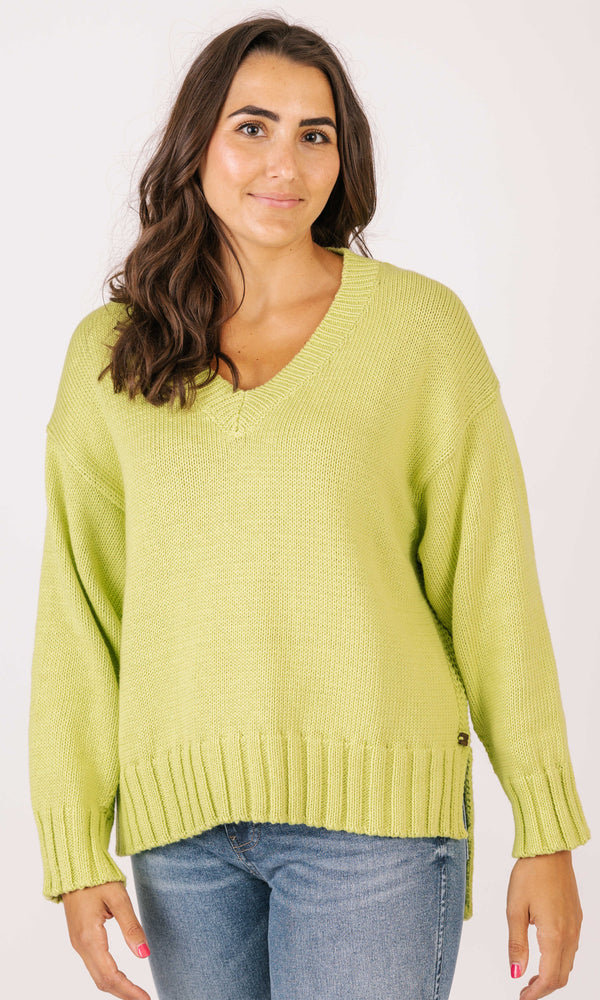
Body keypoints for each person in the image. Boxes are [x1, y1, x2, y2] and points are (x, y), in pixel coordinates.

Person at [28, 13, 591, 1000]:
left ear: (343, 157)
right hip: (182, 839)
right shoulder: (110, 352)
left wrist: (545, 828)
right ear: (197, 141)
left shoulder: (418, 331)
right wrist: (73, 845)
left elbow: (490, 585)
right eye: (252, 126)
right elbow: (79, 611)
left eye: (314, 134)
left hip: (375, 831)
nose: (284, 163)